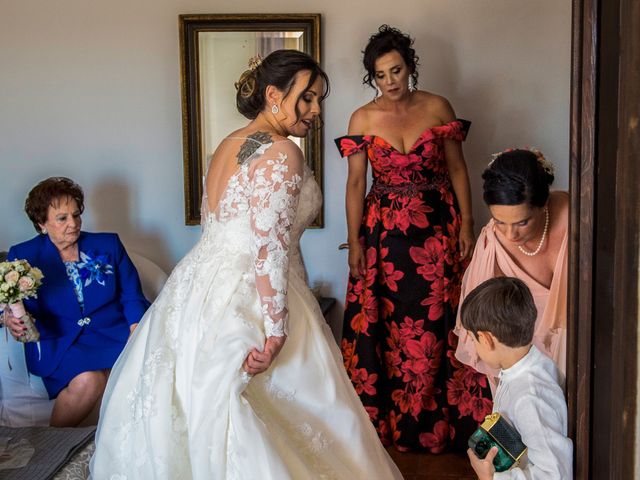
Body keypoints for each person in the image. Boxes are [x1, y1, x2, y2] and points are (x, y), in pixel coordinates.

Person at [90, 50, 403, 479]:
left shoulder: (227, 144)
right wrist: (275, 331)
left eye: (318, 100)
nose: (315, 110)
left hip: (197, 284)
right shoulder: (281, 154)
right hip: (251, 290)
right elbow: (268, 248)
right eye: (307, 98)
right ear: (273, 94)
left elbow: (223, 230)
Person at [335, 25, 485, 452]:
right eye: (380, 75)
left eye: (396, 70)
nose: (390, 82)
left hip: (438, 230)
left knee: (441, 324)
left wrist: (469, 226)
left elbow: (458, 168)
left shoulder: (438, 107)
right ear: (372, 78)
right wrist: (355, 243)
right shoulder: (362, 118)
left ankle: (443, 425)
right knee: (389, 328)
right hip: (384, 240)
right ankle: (390, 424)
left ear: (410, 67)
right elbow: (354, 185)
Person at [3, 176, 149, 427]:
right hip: (60, 342)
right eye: (62, 218)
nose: (73, 224)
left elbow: (132, 296)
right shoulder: (24, 255)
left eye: (76, 215)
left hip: (111, 334)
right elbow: (10, 299)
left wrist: (136, 333)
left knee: (132, 375)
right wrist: (6, 317)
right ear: (41, 223)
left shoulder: (108, 245)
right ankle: (54, 450)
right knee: (90, 380)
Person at [455, 148, 568, 391]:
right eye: (500, 221)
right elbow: (487, 325)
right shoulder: (492, 242)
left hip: (580, 350)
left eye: (522, 222)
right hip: (524, 360)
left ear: (544, 204)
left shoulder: (576, 220)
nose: (510, 234)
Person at [461, 277, 573, 479]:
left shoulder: (529, 397)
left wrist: (493, 477)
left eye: (472, 338)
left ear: (486, 339)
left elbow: (554, 474)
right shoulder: (527, 367)